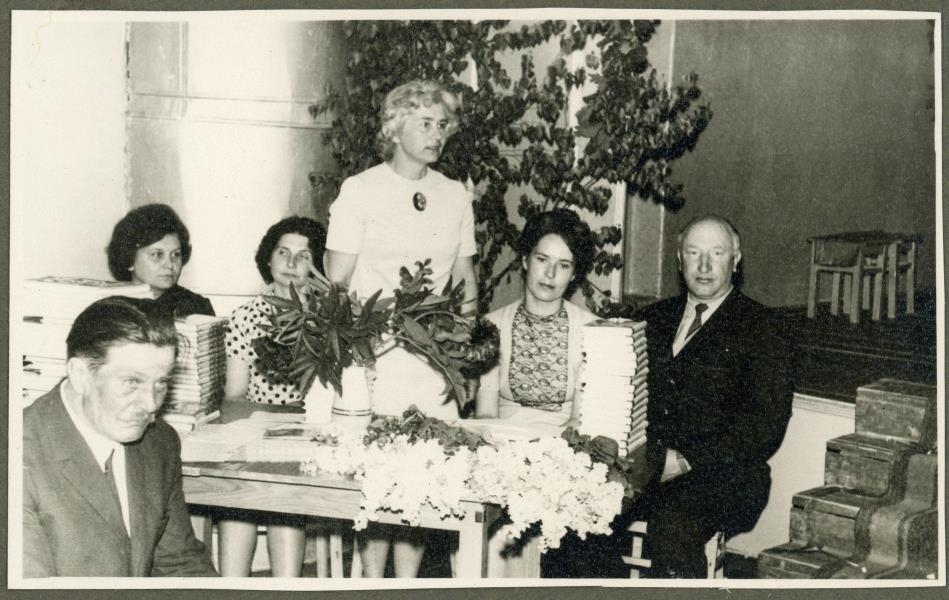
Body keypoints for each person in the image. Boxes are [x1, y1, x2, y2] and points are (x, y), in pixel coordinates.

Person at [324, 79, 478, 577]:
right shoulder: (361, 190)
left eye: (443, 125)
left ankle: (407, 585)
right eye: (425, 123)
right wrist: (352, 349)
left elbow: (465, 278)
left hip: (434, 362)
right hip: (377, 357)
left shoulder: (454, 195)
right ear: (394, 128)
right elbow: (336, 281)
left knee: (423, 483)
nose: (438, 134)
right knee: (376, 482)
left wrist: (465, 348)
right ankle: (372, 581)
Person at [631, 214, 794, 578]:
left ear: (736, 260)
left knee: (672, 525)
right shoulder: (651, 319)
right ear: (679, 259)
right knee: (580, 512)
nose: (704, 266)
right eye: (693, 252)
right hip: (649, 465)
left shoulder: (764, 328)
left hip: (725, 474)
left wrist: (686, 459)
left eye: (717, 253)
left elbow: (765, 425)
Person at [22, 296, 218, 577]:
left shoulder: (158, 441)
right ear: (80, 375)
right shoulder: (19, 458)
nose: (151, 404)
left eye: (161, 382)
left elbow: (179, 563)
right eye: (131, 382)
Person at [218, 216, 327, 577]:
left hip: (310, 435)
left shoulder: (327, 319)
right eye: (283, 252)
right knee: (238, 496)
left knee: (285, 498)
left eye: (303, 255)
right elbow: (235, 396)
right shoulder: (246, 317)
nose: (292, 263)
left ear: (317, 265)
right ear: (268, 257)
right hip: (257, 430)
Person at [475, 208, 598, 437]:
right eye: (542, 259)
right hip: (501, 439)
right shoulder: (491, 325)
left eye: (564, 265)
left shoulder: (594, 331)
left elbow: (579, 421)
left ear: (574, 274)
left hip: (566, 442)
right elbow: (485, 415)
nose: (550, 273)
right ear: (525, 260)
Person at [107, 203, 214, 318]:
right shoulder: (111, 310)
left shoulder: (197, 306)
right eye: (157, 254)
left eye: (176, 254)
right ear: (129, 259)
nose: (170, 264)